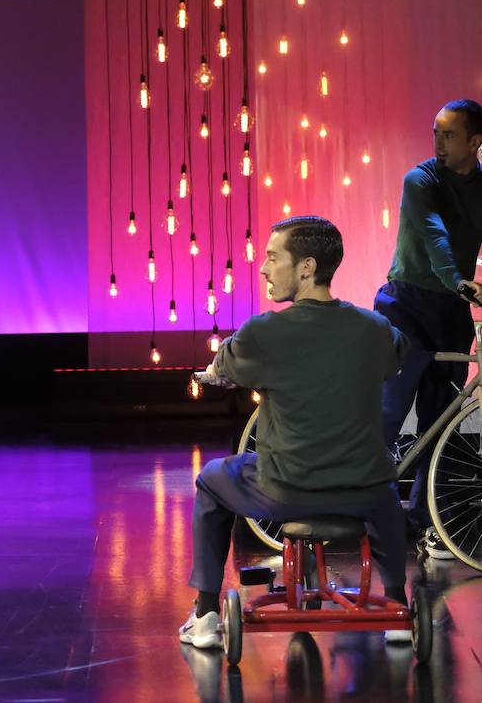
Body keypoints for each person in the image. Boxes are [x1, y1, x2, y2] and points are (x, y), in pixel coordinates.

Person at [182, 216, 408, 649]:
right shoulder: (374, 329)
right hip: (362, 492)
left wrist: (223, 369)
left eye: (272, 258)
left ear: (306, 267)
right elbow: (397, 350)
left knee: (212, 479)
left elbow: (226, 363)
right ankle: (396, 605)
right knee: (385, 488)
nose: (264, 269)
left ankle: (206, 614)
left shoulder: (264, 332)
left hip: (287, 490)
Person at [375, 99, 482, 560]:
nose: (437, 142)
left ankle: (427, 524)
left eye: (448, 135)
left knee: (441, 418)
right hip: (407, 304)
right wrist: (458, 279)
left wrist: (459, 291)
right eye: (434, 132)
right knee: (389, 412)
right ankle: (365, 509)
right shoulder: (421, 180)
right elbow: (434, 235)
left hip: (450, 310)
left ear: (475, 142)